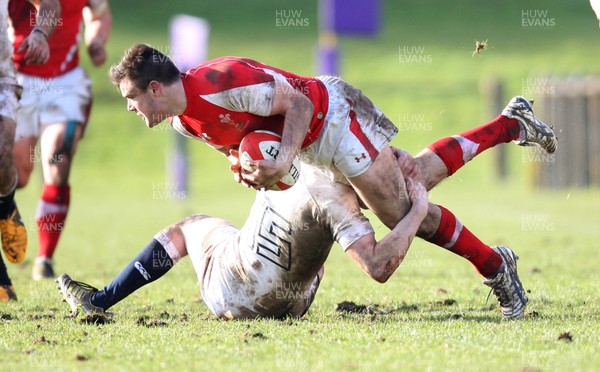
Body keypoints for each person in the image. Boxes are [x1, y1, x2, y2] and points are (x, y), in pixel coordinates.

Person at [107, 44, 556, 317]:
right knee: (411, 184)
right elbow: (243, 142)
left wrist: (281, 159)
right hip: (310, 149)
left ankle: (495, 267)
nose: (129, 108)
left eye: (130, 98)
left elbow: (299, 104)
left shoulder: (222, 81)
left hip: (330, 122)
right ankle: (510, 125)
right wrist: (248, 170)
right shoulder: (186, 123)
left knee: (402, 212)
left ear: (155, 89)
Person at [56, 163, 430, 320]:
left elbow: (377, 267)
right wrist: (418, 210)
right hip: (292, 305)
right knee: (315, 245)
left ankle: (101, 300)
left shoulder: (291, 148)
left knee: (189, 227)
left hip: (231, 290)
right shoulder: (345, 191)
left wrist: (241, 158)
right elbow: (379, 263)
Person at [9, 0, 111, 280]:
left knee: (58, 157)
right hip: (18, 79)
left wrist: (96, 41)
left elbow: (99, 15)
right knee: (19, 174)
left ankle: (45, 258)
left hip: (65, 83)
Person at [0, 0, 61, 302]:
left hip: (3, 78)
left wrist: (38, 33)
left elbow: (49, 4)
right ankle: (1, 280)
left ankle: (6, 204)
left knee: (6, 164)